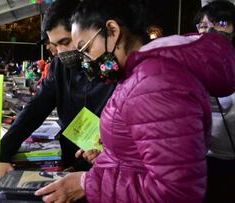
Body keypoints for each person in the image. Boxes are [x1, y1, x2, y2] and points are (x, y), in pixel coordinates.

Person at [35, 0, 235, 202]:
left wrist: (87, 184)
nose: (85, 61)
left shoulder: (155, 83)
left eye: (85, 49)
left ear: (112, 31)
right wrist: (113, 156)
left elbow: (176, 193)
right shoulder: (139, 74)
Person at [0, 0, 117, 178]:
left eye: (66, 41)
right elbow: (36, 108)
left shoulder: (114, 69)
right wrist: (3, 152)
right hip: (70, 159)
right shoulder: (59, 67)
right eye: (55, 45)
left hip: (107, 169)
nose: (61, 53)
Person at [194, 1, 235, 202]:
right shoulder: (190, 65)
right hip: (202, 160)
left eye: (220, 22)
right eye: (202, 25)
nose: (209, 30)